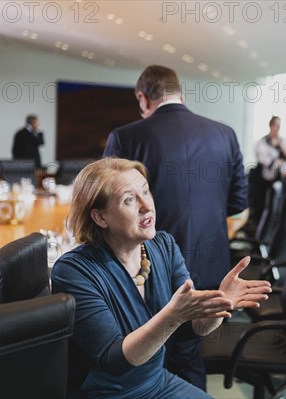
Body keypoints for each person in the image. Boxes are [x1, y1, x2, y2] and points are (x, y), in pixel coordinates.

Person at [51, 158, 271, 398]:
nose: (147, 206)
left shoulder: (163, 246)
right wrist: (173, 315)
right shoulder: (74, 271)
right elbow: (115, 360)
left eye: (146, 191)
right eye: (130, 199)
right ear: (100, 218)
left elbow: (191, 327)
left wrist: (217, 306)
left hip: (157, 382)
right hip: (106, 394)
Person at [103, 65, 247, 390]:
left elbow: (107, 209)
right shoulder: (225, 133)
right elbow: (238, 202)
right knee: (188, 354)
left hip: (147, 271)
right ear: (179, 91)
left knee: (145, 361)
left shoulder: (125, 137)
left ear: (143, 97)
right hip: (211, 267)